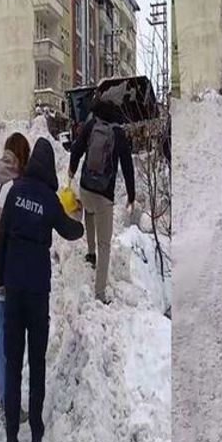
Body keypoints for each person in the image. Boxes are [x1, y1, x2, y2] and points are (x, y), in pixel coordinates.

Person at [0, 137, 84, 442]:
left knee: (13, 361)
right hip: (37, 292)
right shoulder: (48, 199)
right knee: (36, 361)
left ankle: (9, 440)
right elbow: (68, 230)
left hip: (15, 288)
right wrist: (81, 218)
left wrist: (1, 281)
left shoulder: (16, 191)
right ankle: (35, 429)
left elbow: (2, 235)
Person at [67, 100, 135, 304]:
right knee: (104, 244)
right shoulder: (119, 134)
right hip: (105, 194)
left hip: (86, 187)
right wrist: (131, 195)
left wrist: (71, 169)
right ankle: (99, 294)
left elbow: (77, 149)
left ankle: (90, 253)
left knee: (88, 211)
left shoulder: (91, 126)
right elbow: (128, 166)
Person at [0, 132, 30, 424]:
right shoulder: (14, 187)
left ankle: (4, 400)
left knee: (2, 338)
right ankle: (9, 406)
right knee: (10, 345)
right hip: (6, 277)